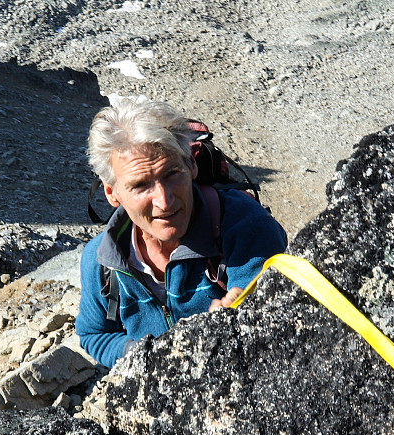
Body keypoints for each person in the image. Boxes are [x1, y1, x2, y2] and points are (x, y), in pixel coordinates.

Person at [76, 97, 288, 368]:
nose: (164, 201)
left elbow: (265, 303)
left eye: (172, 173)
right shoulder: (101, 260)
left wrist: (239, 309)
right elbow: (95, 334)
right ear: (111, 193)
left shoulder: (244, 224)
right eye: (141, 186)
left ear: (191, 165)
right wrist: (148, 356)